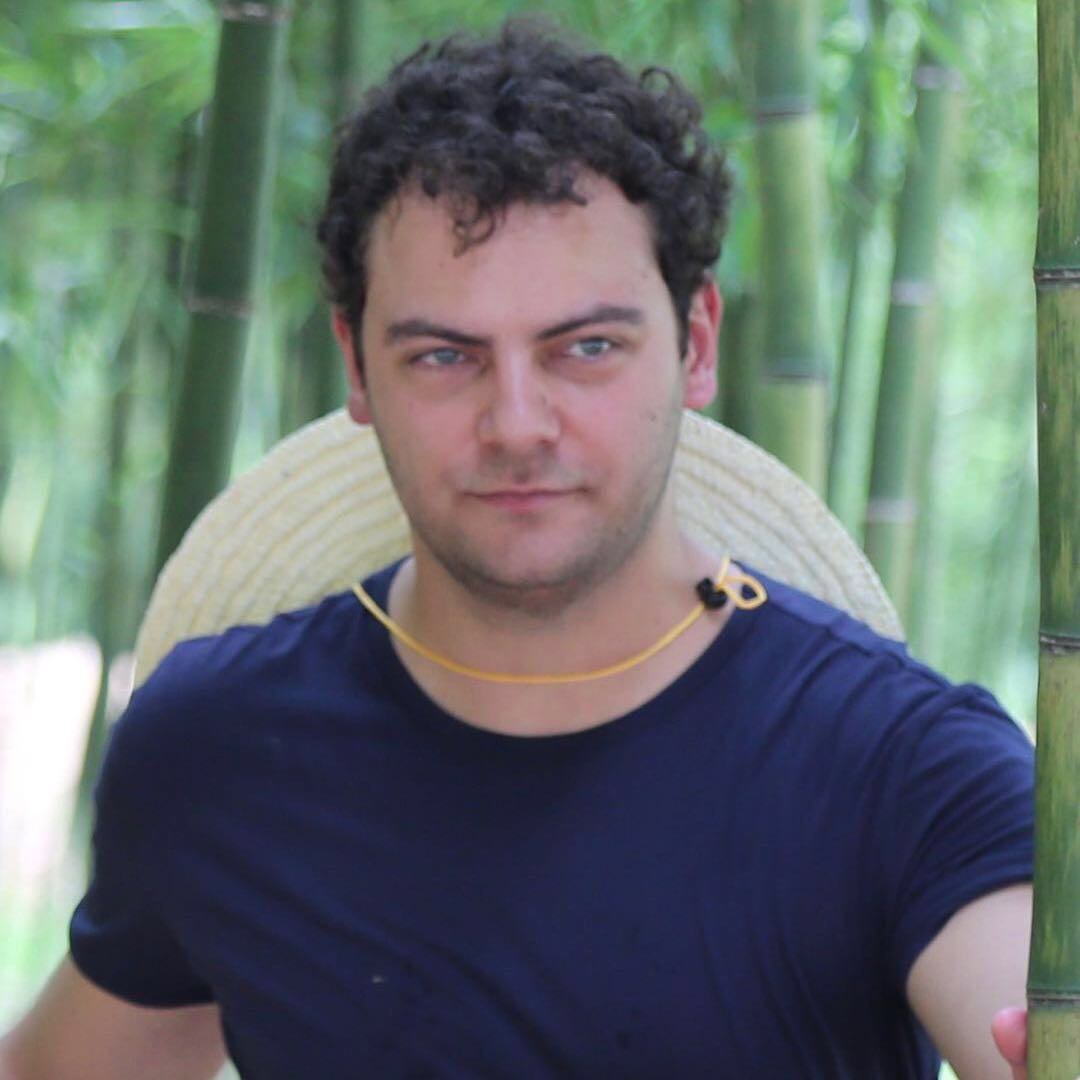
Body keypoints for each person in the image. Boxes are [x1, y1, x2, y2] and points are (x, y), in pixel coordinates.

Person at [1, 19, 1035, 1080]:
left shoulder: (903, 767)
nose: (518, 424)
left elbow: (1020, 1000)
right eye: (444, 356)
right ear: (357, 367)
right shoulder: (221, 752)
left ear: (696, 345)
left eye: (586, 347)